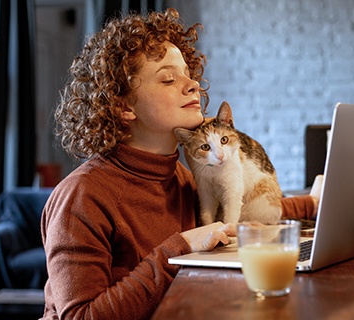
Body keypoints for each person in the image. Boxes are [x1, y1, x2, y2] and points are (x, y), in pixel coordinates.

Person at [40, 8, 318, 320]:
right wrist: (181, 246)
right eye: (168, 78)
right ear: (122, 106)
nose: (193, 85)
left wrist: (316, 204)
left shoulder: (182, 176)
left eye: (188, 74)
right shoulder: (81, 197)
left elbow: (250, 202)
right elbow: (80, 317)